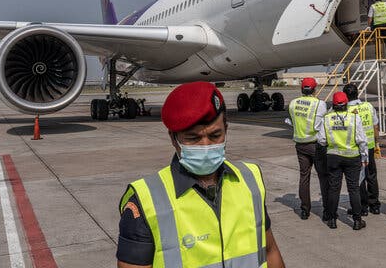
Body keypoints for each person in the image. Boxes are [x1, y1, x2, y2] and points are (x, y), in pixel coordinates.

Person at [116, 82, 285, 268]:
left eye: (215, 136)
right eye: (193, 138)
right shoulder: (146, 200)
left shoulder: (250, 179)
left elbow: (269, 251)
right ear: (174, 138)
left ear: (226, 130)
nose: (205, 146)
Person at [319, 91, 368, 230]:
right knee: (353, 189)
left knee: (334, 188)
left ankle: (332, 219)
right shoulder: (354, 118)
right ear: (346, 103)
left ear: (333, 105)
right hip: (352, 157)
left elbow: (321, 140)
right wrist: (364, 156)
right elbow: (361, 140)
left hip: (333, 157)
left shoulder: (327, 118)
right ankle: (357, 221)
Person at [288, 77, 329, 221]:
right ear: (315, 89)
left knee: (304, 176)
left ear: (301, 89)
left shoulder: (293, 104)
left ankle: (305, 210)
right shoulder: (320, 104)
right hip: (315, 145)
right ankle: (327, 210)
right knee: (323, 177)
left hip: (300, 145)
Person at [342, 83, 382, 216]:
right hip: (369, 146)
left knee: (358, 179)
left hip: (355, 149)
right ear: (357, 93)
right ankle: (375, 205)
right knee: (371, 176)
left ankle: (362, 207)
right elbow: (375, 125)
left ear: (346, 96)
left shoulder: (345, 110)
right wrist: (376, 143)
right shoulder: (368, 106)